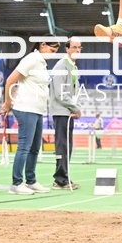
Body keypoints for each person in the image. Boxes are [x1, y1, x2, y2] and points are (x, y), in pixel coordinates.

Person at [0, 40, 60, 195]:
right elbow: (10, 81)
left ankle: (31, 181)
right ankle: (16, 183)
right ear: (42, 45)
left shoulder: (42, 63)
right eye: (52, 50)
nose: (53, 54)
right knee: (24, 147)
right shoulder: (31, 59)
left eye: (55, 52)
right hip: (26, 108)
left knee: (34, 148)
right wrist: (7, 102)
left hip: (37, 110)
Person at [50, 37, 82, 190]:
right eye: (74, 47)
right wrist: (75, 107)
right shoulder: (61, 66)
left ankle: (64, 177)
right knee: (62, 146)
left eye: (79, 47)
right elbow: (60, 93)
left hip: (68, 112)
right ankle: (60, 180)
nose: (77, 50)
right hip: (61, 112)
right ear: (67, 48)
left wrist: (75, 107)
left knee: (67, 146)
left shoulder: (72, 66)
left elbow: (73, 92)